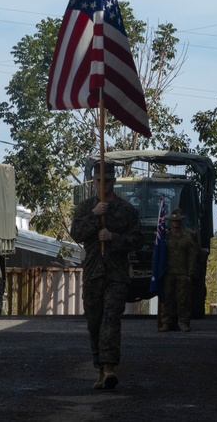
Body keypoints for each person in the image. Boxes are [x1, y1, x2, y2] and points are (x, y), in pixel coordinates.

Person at [70, 166, 142, 390]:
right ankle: (100, 368)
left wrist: (114, 237)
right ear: (94, 182)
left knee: (111, 318)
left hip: (116, 274)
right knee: (94, 321)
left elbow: (138, 240)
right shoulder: (85, 208)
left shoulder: (126, 210)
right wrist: (94, 216)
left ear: (114, 181)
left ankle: (110, 367)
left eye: (108, 180)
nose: (104, 185)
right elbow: (76, 233)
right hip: (93, 273)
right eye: (100, 180)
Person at [160, 209, 196, 333]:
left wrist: (190, 273)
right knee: (167, 299)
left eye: (177, 221)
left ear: (180, 222)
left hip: (182, 273)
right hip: (168, 273)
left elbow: (192, 257)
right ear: (170, 222)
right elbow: (159, 255)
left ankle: (184, 323)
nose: (175, 223)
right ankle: (166, 323)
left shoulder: (187, 238)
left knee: (183, 299)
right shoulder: (165, 237)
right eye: (173, 221)